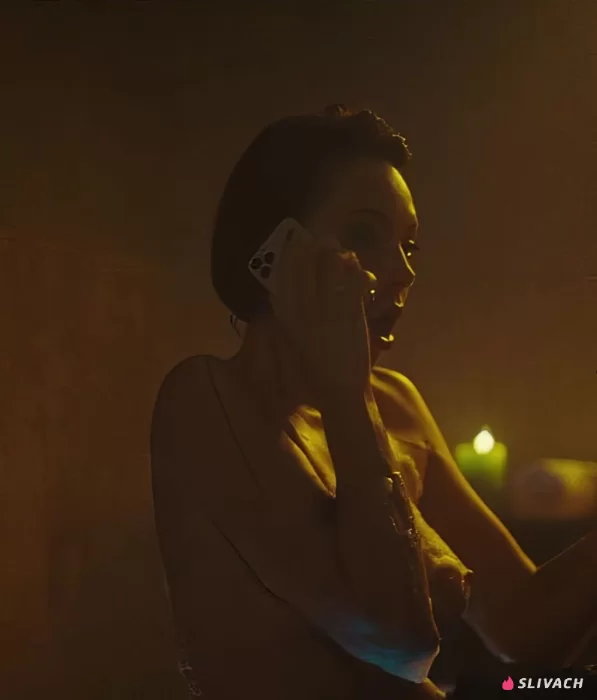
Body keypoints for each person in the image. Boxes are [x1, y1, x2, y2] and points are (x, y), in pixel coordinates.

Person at [150, 105, 597, 700]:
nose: (404, 272)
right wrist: (346, 391)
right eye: (363, 236)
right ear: (277, 250)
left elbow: (522, 622)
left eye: (410, 246)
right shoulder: (206, 399)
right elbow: (397, 638)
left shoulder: (397, 403)